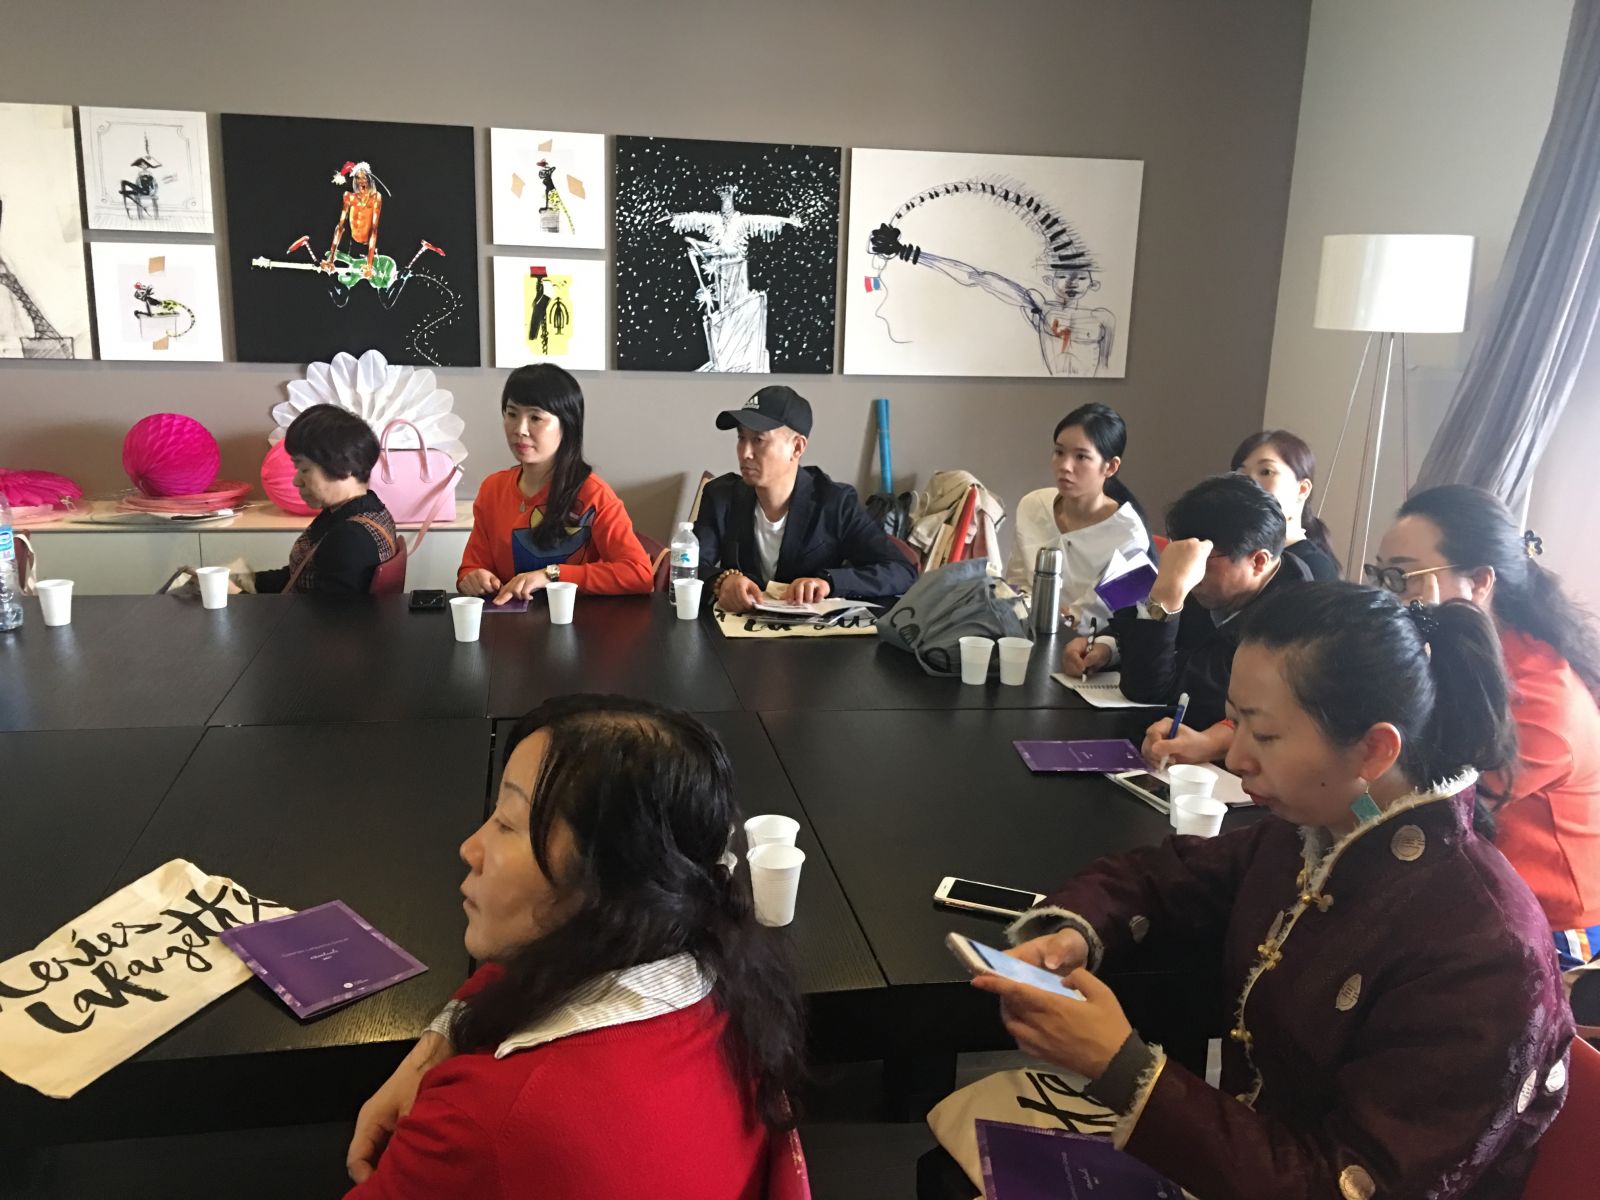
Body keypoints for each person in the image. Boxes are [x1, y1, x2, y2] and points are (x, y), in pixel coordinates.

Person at [977, 583, 1571, 1199]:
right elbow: (1169, 873)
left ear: (1373, 749)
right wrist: (1072, 931)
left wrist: (1123, 1070)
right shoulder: (1319, 830)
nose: (1236, 757)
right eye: (1235, 723)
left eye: (1263, 735)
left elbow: (1348, 1185)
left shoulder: (1483, 950)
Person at [343, 694, 806, 1197]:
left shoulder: (485, 1122)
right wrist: (434, 1047)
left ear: (608, 887)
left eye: (507, 823)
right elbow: (519, 969)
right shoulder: (721, 970)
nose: (470, 848)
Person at [1375, 484, 1600, 968]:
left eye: (1403, 578)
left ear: (1479, 581)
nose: (1389, 598)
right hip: (1472, 879)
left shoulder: (1540, 701)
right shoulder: (1462, 656)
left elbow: (1427, 806)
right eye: (1381, 576)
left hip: (1553, 925)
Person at [1062, 473, 1310, 756]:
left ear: (1258, 561)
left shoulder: (1290, 621)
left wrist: (1168, 594)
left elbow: (1149, 689)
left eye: (1201, 558)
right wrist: (1107, 648)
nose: (1190, 567)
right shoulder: (1220, 580)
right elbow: (1163, 630)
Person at [695, 385, 917, 613]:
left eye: (758, 440)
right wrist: (721, 581)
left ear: (797, 447)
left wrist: (828, 583)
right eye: (741, 438)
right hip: (737, 629)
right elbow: (688, 566)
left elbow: (901, 571)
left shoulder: (834, 503)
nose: (744, 453)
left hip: (812, 633)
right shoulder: (721, 496)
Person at [457, 365, 652, 603]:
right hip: (508, 621)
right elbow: (470, 568)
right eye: (512, 414)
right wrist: (473, 578)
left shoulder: (593, 494)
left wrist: (552, 575)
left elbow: (639, 574)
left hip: (576, 621)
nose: (520, 429)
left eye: (535, 417)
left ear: (566, 424)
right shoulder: (492, 489)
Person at [1004, 403, 1149, 633]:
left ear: (1110, 467)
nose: (1065, 466)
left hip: (1089, 646)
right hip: (1024, 633)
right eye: (1059, 452)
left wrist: (1065, 619)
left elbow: (1107, 619)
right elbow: (1016, 584)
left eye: (1081, 456)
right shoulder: (1032, 506)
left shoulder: (1130, 535)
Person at [253, 405, 399, 596]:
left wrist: (237, 598)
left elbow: (327, 613)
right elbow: (302, 574)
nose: (296, 481)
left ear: (345, 466)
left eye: (304, 469)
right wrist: (250, 580)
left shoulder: (350, 538)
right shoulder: (369, 510)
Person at [1230, 429, 1340, 581]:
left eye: (1266, 472)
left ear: (1302, 489)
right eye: (1241, 474)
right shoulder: (1230, 557)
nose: (1249, 483)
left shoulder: (1314, 569)